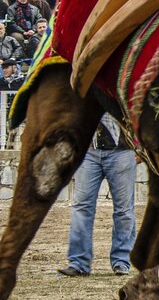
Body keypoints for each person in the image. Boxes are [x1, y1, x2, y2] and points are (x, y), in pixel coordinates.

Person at [58, 115, 137, 277]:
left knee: (124, 210)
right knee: (81, 206)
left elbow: (137, 109)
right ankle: (78, 263)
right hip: (88, 150)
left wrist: (141, 147)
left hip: (123, 150)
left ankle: (121, 261)